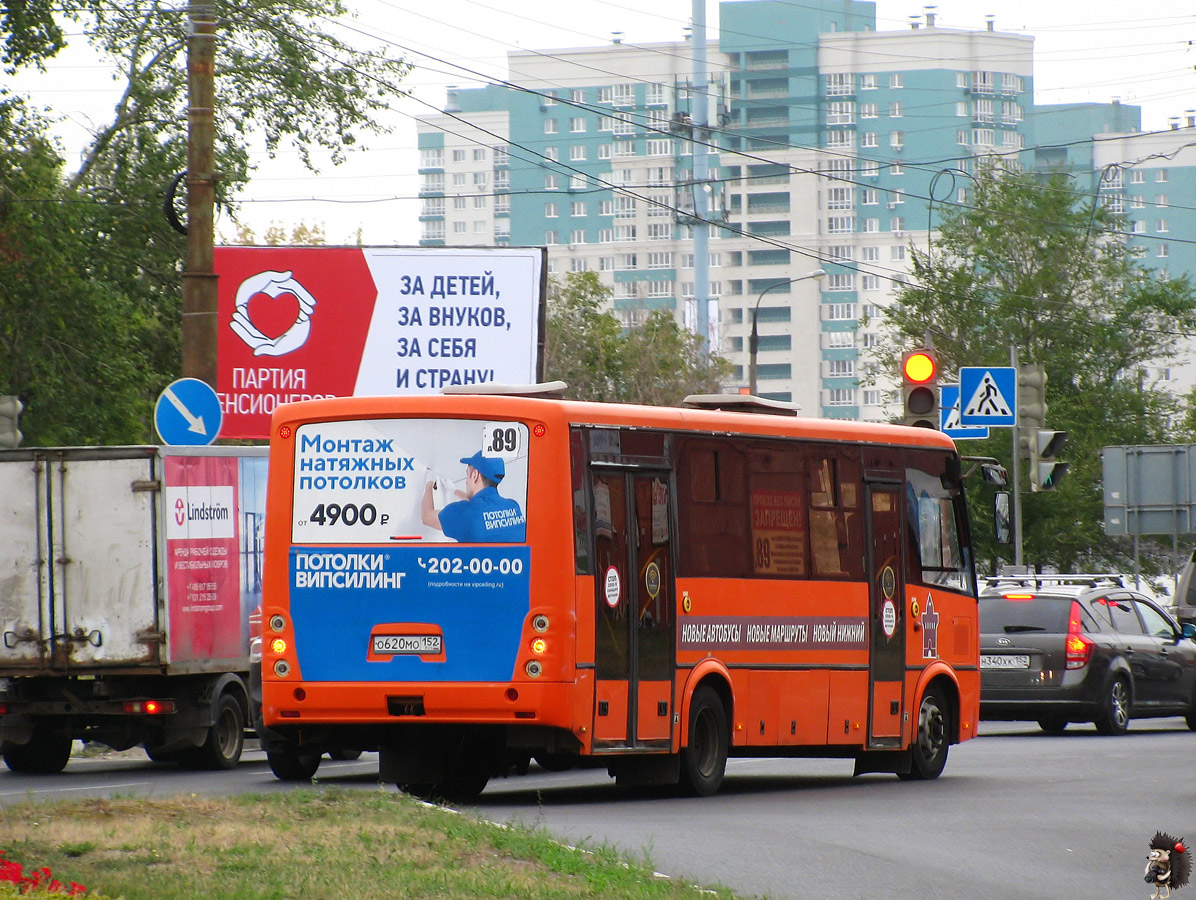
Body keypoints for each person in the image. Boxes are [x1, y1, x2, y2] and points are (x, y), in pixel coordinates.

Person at [421, 450, 525, 542]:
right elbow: (481, 507)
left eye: (467, 474)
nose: (466, 481)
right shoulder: (513, 506)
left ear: (475, 475)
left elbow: (427, 516)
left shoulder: (461, 513)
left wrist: (429, 483)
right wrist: (454, 490)